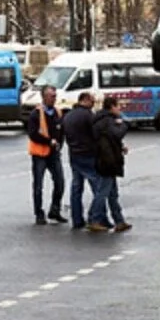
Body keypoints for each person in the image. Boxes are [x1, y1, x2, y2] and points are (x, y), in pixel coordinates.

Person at [91, 96, 132, 233]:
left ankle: (119, 221)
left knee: (112, 193)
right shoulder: (108, 121)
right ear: (112, 107)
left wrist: (120, 147)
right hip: (107, 161)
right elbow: (116, 134)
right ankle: (94, 219)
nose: (120, 109)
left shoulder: (100, 119)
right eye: (118, 106)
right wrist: (123, 125)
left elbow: (109, 140)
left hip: (105, 159)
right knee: (103, 192)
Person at [26, 84, 67, 225]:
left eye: (55, 95)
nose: (54, 98)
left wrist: (59, 144)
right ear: (44, 97)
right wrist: (49, 141)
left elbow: (61, 130)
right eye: (52, 96)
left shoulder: (57, 112)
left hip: (54, 153)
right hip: (39, 154)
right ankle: (39, 213)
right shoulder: (36, 114)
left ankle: (55, 210)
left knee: (60, 182)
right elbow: (32, 134)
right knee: (38, 185)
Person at [61, 91, 101, 230]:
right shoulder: (89, 115)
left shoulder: (68, 116)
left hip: (74, 154)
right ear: (86, 100)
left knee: (76, 188)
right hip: (88, 154)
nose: (93, 104)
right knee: (98, 187)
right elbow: (96, 134)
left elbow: (64, 134)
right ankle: (95, 217)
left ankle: (77, 219)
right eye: (92, 101)